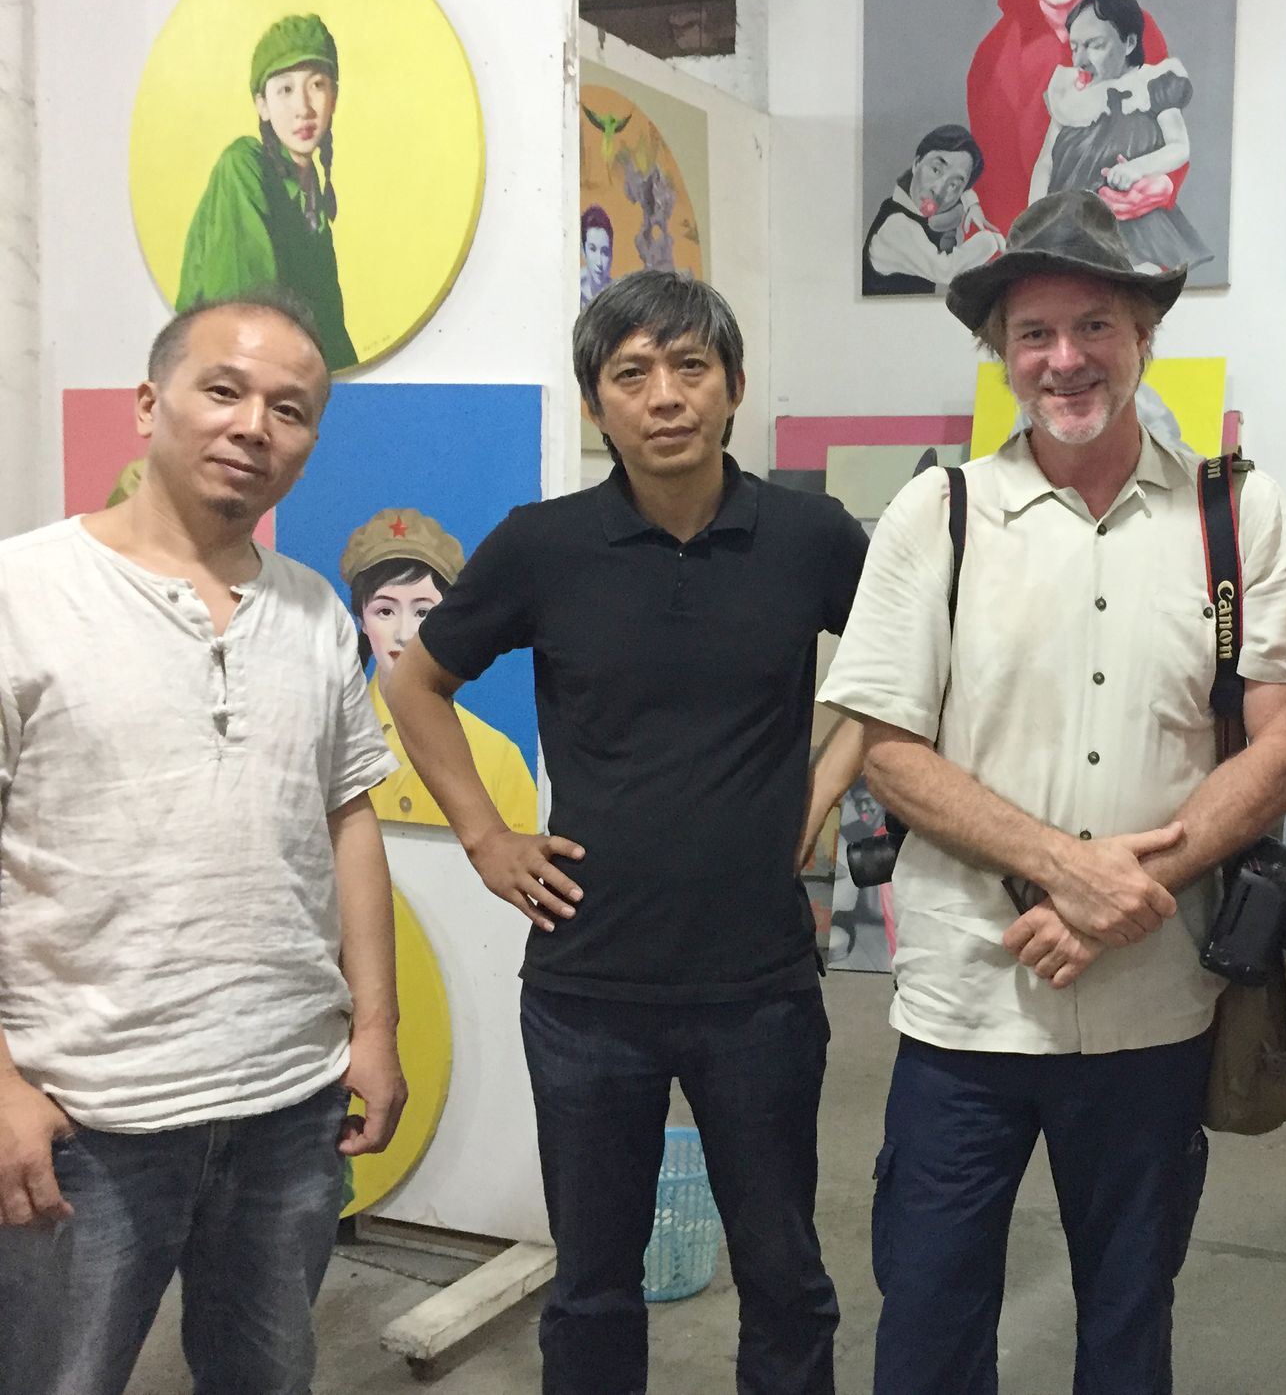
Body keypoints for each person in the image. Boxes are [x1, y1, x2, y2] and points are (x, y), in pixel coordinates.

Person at [820, 190, 1286, 1395]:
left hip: (1156, 1006)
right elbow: (884, 748)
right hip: (966, 1005)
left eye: (1094, 325)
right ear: (998, 354)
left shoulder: (1232, 512)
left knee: (1127, 1315)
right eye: (1034, 333)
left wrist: (1121, 892)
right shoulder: (937, 514)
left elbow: (1285, 747)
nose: (1065, 359)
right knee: (929, 1317)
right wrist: (1067, 868)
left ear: (1143, 335)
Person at [381, 271, 868, 1395]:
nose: (664, 396)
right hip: (587, 988)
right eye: (632, 373)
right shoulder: (544, 545)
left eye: (690, 367)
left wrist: (824, 784)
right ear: (596, 401)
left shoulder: (809, 536)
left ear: (733, 385)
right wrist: (487, 838)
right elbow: (416, 684)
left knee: (786, 1276)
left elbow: (913, 675)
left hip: (759, 985)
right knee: (593, 1287)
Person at [0, 291, 406, 1393]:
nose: (253, 426)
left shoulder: (316, 612)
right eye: (223, 390)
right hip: (86, 1113)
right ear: (149, 403)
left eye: (290, 409)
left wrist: (373, 1033)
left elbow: (349, 819)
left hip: (288, 1101)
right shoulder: (24, 592)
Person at [966, 0, 1183, 235]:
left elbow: (1171, 135)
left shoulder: (1135, 27)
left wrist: (1161, 184)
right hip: (1036, 238)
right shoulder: (995, 53)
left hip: (1126, 230)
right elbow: (996, 179)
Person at [340, 507, 538, 835]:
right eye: (385, 611)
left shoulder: (498, 755)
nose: (404, 633)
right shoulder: (331, 735)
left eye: (423, 612)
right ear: (361, 619)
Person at [178, 15, 360, 369]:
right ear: (262, 104)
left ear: (334, 97)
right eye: (285, 90)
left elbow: (331, 335)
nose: (303, 109)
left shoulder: (311, 199)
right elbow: (243, 321)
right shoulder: (244, 166)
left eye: (317, 85)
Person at [1030, 0, 1210, 274]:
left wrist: (1137, 168)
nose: (1079, 60)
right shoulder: (1070, 96)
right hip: (1069, 227)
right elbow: (1046, 164)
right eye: (1075, 47)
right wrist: (1035, 222)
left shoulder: (1152, 85)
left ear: (1129, 43)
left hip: (1127, 227)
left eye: (1095, 45)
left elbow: (1179, 147)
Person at [862, 124, 1006, 295]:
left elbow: (962, 187)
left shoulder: (911, 209)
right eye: (936, 170)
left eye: (953, 185)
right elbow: (946, 271)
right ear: (916, 163)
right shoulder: (897, 225)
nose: (938, 190)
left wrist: (972, 205)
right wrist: (993, 240)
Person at [581, 204, 615, 307]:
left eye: (605, 252)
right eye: (593, 249)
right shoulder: (571, 289)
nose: (599, 263)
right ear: (583, 251)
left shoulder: (616, 298)